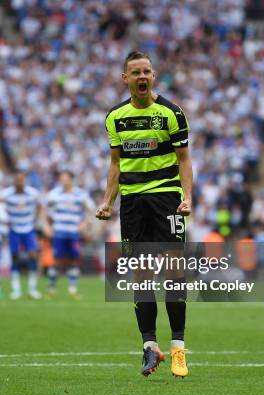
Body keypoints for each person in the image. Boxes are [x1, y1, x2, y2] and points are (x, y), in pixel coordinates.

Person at [96, 51, 193, 378]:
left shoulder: (172, 113)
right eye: (135, 72)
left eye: (146, 71)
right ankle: (150, 347)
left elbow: (183, 159)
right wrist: (108, 200)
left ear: (153, 76)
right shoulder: (115, 117)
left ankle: (179, 349)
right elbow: (115, 164)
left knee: (173, 273)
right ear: (125, 78)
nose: (141, 77)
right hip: (133, 205)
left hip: (167, 199)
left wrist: (188, 197)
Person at [44, 170, 94, 299]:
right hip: (58, 232)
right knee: (55, 261)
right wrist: (46, 226)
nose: (63, 181)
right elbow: (43, 210)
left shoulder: (80, 195)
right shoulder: (54, 194)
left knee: (73, 261)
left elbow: (91, 210)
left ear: (71, 179)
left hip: (73, 233)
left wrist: (85, 224)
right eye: (61, 178)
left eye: (66, 178)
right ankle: (51, 289)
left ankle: (72, 289)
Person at [0, 169, 43, 300]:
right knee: (15, 257)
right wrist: (5, 219)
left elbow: (40, 206)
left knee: (33, 256)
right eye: (17, 179)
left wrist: (36, 220)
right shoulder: (6, 194)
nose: (19, 182)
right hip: (14, 230)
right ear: (14, 180)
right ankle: (16, 289)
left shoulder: (33, 193)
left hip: (28, 229)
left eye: (22, 179)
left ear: (25, 180)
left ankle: (32, 289)